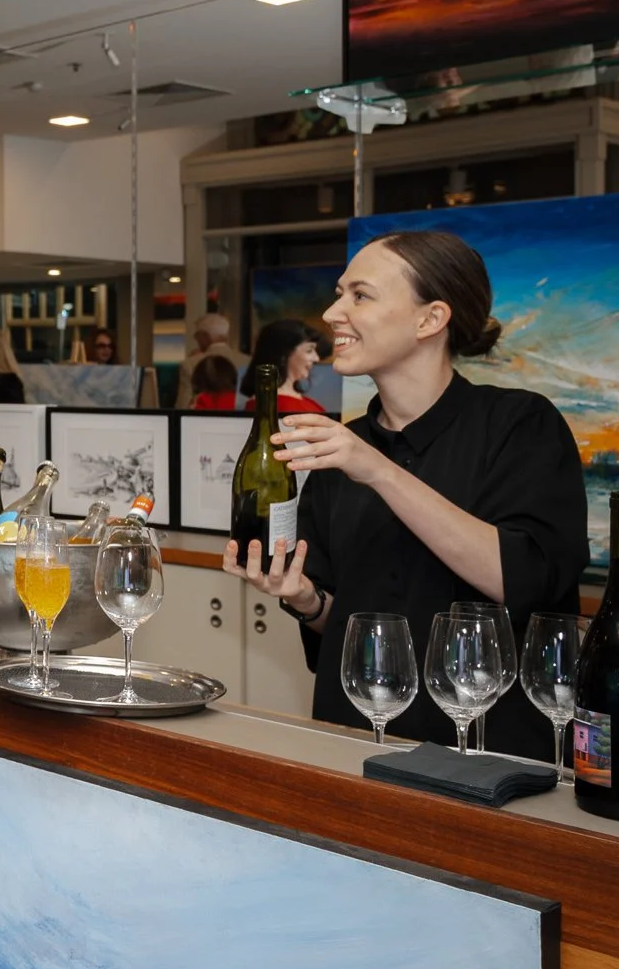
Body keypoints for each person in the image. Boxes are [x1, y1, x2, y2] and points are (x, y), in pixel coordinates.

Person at [223, 230, 588, 756]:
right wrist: (304, 599)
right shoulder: (343, 450)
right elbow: (337, 618)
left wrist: (378, 471)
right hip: (356, 745)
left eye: (360, 295)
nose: (332, 312)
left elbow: (521, 576)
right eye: (339, 292)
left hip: (492, 761)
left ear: (430, 319)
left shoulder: (520, 425)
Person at [192, 319, 328, 414]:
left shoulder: (284, 403)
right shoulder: (282, 406)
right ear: (284, 354)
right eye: (309, 350)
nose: (316, 358)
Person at [174, 311, 237, 407]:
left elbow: (183, 407)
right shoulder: (248, 361)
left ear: (205, 336)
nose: (196, 339)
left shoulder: (190, 364)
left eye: (196, 336)